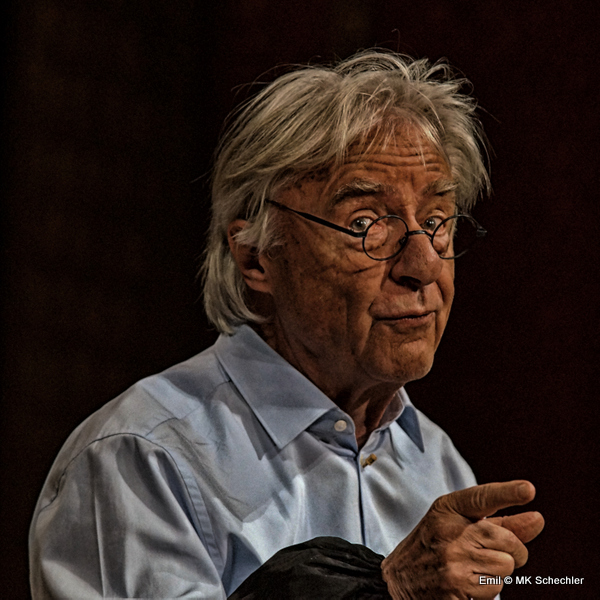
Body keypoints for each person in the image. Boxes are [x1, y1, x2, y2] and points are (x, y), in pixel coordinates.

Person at [29, 49, 544, 599]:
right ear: (256, 257)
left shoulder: (437, 463)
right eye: (366, 224)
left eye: (437, 222)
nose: (422, 267)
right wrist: (386, 591)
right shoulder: (142, 460)